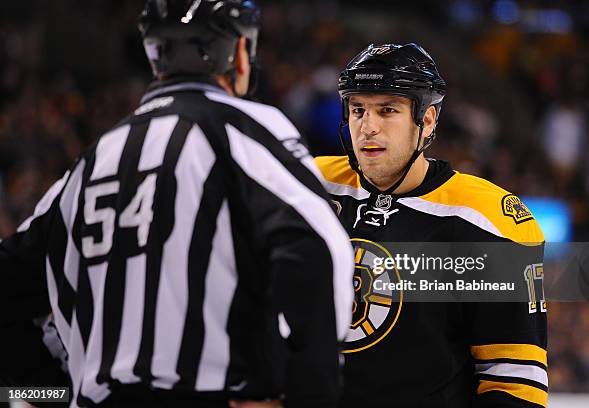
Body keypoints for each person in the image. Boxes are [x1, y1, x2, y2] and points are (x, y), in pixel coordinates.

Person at [0, 1, 354, 407]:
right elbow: (316, 248)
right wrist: (309, 392)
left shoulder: (92, 160)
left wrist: (56, 391)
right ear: (239, 54)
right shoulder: (244, 126)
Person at [315, 43, 548, 407]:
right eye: (358, 109)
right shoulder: (305, 184)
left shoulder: (487, 219)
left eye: (387, 110)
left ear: (426, 120)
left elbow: (514, 384)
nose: (367, 127)